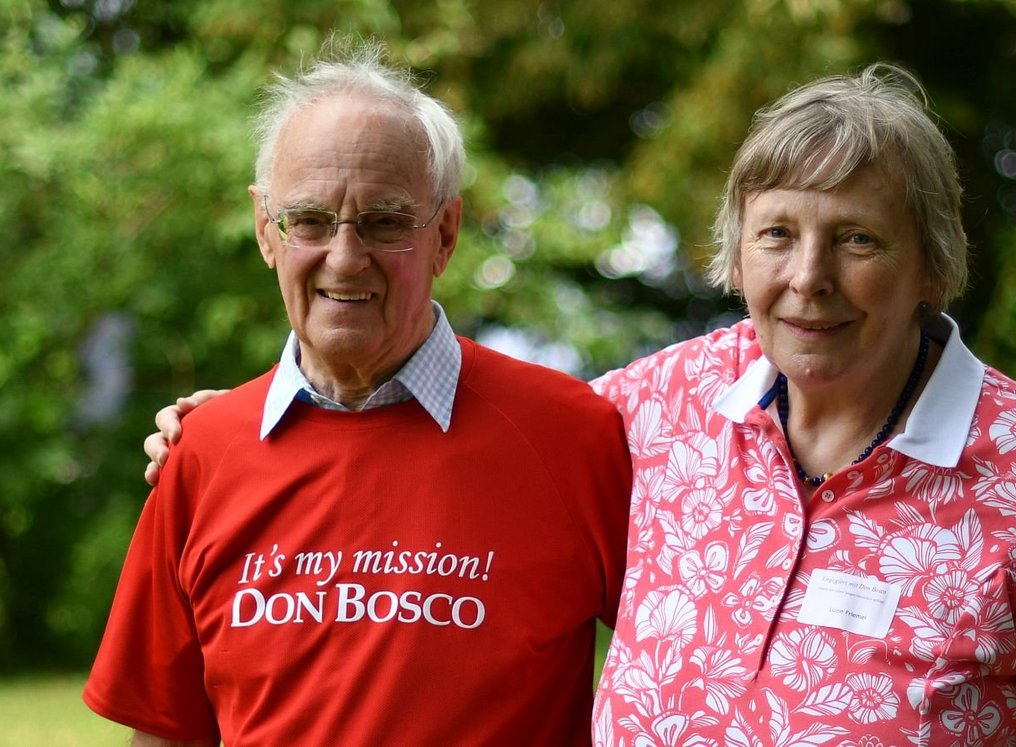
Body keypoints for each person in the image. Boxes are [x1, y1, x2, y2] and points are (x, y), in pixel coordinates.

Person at [143, 64, 1016, 745]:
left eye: (857, 240)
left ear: (931, 262)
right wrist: (237, 427)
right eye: (776, 234)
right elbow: (449, 428)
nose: (807, 278)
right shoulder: (650, 413)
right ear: (735, 256)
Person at [84, 37, 631, 746]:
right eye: (309, 219)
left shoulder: (573, 437)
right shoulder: (203, 453)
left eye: (386, 221)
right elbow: (165, 730)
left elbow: (695, 667)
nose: (346, 257)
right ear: (265, 229)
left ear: (446, 234)